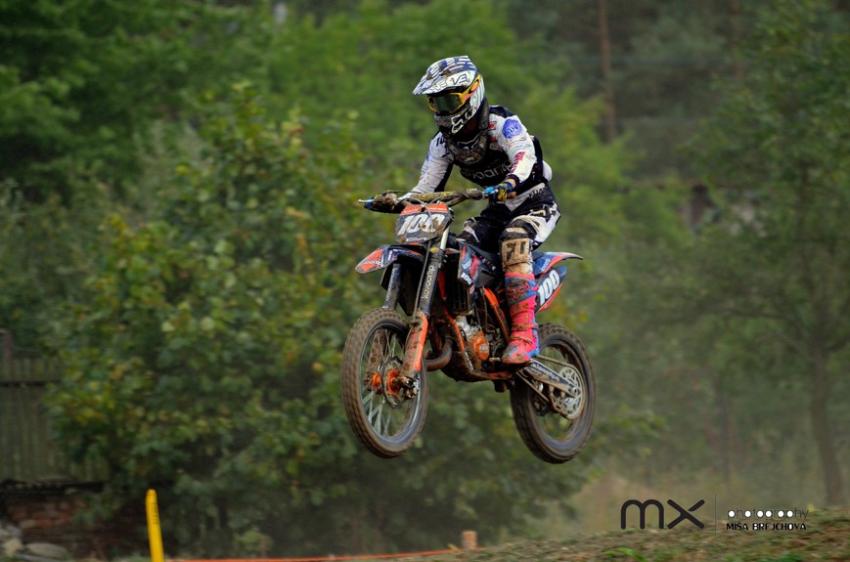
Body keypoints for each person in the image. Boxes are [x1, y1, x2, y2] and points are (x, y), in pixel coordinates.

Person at [395, 55, 560, 365]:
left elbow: (524, 155)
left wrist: (511, 181)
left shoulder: (501, 123)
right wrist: (397, 201)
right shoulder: (443, 143)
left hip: (535, 203)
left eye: (449, 101)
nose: (443, 111)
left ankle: (525, 335)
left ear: (472, 94)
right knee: (456, 249)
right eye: (436, 103)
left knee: (513, 240)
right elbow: (426, 188)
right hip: (497, 210)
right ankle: (468, 322)